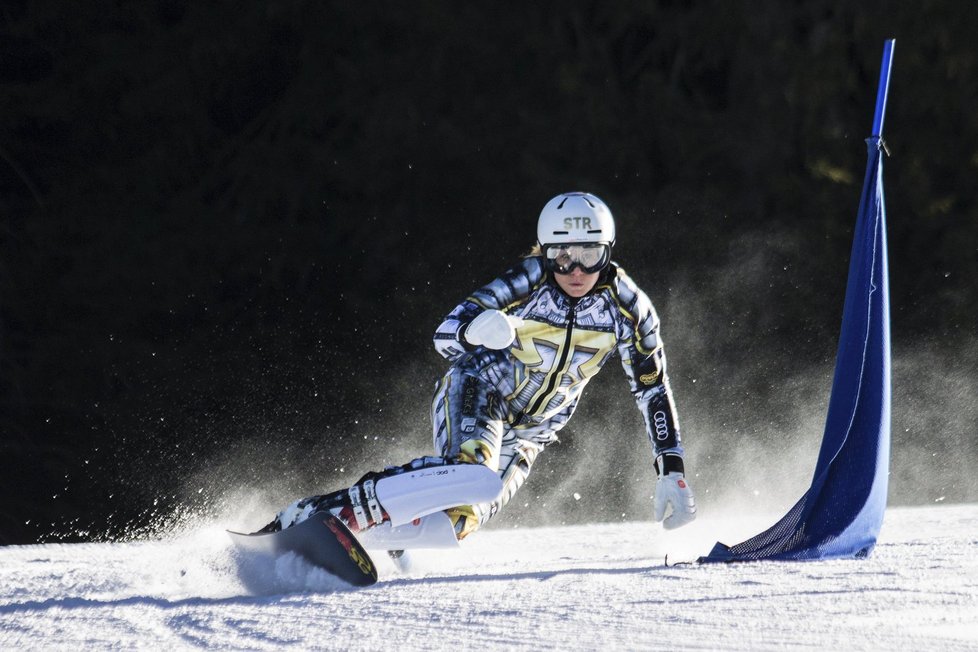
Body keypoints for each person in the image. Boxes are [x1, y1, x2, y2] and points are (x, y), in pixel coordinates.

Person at [260, 192, 696, 545]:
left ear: (609, 251)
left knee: (454, 526)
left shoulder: (629, 308)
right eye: (562, 255)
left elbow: (652, 387)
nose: (576, 270)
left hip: (533, 430)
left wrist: (671, 468)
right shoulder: (527, 282)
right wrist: (476, 332)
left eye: (590, 254)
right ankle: (320, 513)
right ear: (545, 252)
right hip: (479, 387)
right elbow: (444, 335)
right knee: (475, 474)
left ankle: (375, 544)